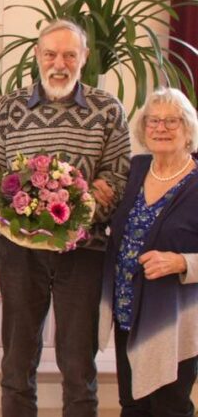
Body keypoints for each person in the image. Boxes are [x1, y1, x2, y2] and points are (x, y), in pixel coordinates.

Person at [0, 19, 131, 417]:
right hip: (19, 253)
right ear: (37, 57)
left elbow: (119, 174)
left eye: (68, 55)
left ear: (84, 59)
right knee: (16, 363)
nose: (58, 63)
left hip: (84, 252)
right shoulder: (11, 107)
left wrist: (90, 200)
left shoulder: (107, 109)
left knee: (79, 365)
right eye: (50, 54)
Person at [98, 87, 198, 417]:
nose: (161, 128)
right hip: (130, 312)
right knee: (133, 405)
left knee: (170, 407)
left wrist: (181, 261)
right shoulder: (136, 169)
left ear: (189, 130)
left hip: (175, 319)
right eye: (153, 121)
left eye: (172, 121)